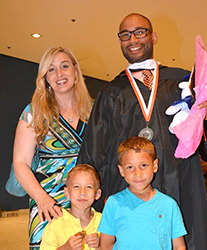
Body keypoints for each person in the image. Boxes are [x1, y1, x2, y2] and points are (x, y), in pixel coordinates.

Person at [77, 13, 207, 249]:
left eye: (140, 32)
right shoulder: (110, 92)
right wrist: (86, 198)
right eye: (125, 35)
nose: (133, 39)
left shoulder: (183, 82)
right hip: (129, 193)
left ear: (154, 37)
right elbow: (94, 150)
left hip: (178, 182)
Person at [13, 46, 93, 249]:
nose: (59, 74)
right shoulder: (34, 112)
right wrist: (42, 199)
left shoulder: (94, 111)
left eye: (64, 66)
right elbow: (20, 163)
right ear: (45, 78)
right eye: (51, 69)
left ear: (76, 71)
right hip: (48, 204)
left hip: (86, 202)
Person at [99, 136, 187, 250]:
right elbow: (105, 245)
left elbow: (179, 246)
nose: (138, 173)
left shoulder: (169, 205)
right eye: (130, 167)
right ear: (121, 171)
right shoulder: (113, 203)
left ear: (155, 166)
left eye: (144, 165)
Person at [40, 164, 102, 250]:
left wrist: (100, 246)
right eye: (76, 187)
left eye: (88, 187)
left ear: (97, 194)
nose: (82, 192)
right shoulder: (56, 224)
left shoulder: (104, 222)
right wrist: (66, 248)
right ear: (67, 192)